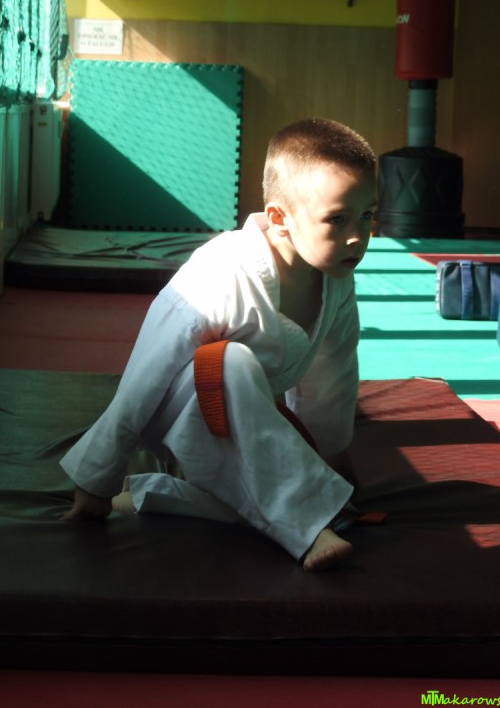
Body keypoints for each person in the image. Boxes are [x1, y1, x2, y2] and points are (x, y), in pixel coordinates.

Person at [60, 117, 377, 572]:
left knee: (251, 500)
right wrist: (98, 474)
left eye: (367, 215)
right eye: (337, 219)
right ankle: (309, 527)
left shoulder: (336, 281)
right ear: (279, 219)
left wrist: (332, 454)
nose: (357, 236)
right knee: (229, 362)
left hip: (242, 422)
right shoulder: (224, 270)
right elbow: (147, 370)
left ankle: (152, 497)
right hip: (176, 408)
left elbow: (333, 373)